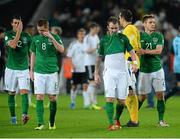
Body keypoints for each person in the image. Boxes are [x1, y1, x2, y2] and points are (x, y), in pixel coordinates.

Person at [95, 16, 138, 131]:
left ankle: (116, 119)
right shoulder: (103, 40)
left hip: (122, 72)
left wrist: (135, 63)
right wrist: (96, 73)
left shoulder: (123, 38)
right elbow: (99, 58)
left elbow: (132, 53)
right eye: (112, 28)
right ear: (108, 27)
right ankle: (111, 124)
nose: (114, 30)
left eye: (116, 28)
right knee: (109, 98)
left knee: (122, 102)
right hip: (109, 72)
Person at [30, 19, 64, 130]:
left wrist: (51, 37)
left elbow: (61, 49)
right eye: (39, 30)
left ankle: (52, 121)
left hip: (52, 72)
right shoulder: (35, 39)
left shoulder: (55, 37)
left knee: (52, 97)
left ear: (47, 27)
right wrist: (31, 70)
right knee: (39, 96)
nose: (41, 32)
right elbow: (33, 54)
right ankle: (40, 123)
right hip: (39, 72)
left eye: (43, 30)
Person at [137, 14, 169, 127]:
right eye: (150, 22)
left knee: (160, 95)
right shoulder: (139, 36)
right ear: (144, 24)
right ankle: (134, 119)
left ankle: (161, 121)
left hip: (157, 69)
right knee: (142, 97)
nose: (153, 24)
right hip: (144, 71)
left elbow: (158, 51)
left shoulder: (159, 36)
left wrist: (144, 51)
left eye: (154, 22)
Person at [4, 15, 31, 125]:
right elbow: (13, 45)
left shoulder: (27, 36)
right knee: (11, 93)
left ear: (21, 23)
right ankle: (13, 117)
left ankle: (24, 115)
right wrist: (18, 33)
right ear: (11, 24)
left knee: (24, 91)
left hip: (23, 69)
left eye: (18, 23)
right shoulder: (8, 34)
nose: (16, 25)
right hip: (11, 68)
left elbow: (32, 51)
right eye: (15, 23)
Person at [118, 9, 140, 127]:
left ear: (122, 17)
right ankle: (133, 119)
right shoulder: (132, 29)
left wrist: (132, 62)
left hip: (129, 64)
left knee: (130, 92)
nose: (119, 20)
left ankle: (134, 120)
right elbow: (138, 47)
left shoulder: (129, 29)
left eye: (119, 17)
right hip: (129, 63)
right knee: (127, 92)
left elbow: (131, 47)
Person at [67, 28, 88, 109]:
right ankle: (72, 102)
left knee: (85, 86)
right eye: (81, 34)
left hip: (85, 69)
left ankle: (86, 104)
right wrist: (72, 65)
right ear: (78, 35)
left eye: (83, 34)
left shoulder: (87, 44)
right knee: (74, 86)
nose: (82, 36)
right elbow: (69, 56)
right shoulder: (74, 44)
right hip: (75, 70)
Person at [84, 22, 101, 109]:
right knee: (92, 82)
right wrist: (96, 48)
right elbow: (86, 50)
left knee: (95, 83)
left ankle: (93, 102)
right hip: (89, 63)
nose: (97, 30)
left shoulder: (96, 37)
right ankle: (91, 103)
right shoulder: (87, 38)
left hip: (95, 63)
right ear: (91, 28)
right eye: (95, 29)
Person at [165, 26, 180, 101]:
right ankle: (166, 96)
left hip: (177, 65)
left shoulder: (175, 40)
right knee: (178, 85)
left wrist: (172, 65)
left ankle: (166, 96)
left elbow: (172, 53)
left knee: (178, 85)